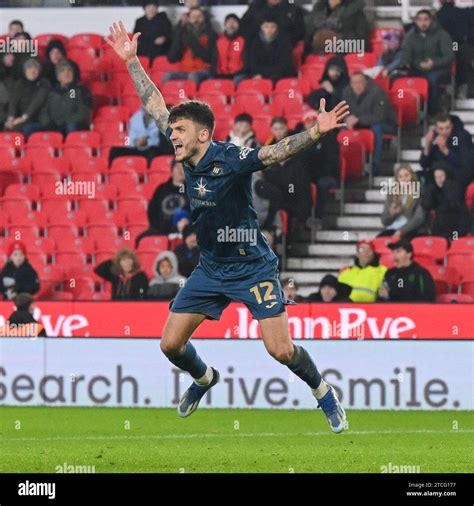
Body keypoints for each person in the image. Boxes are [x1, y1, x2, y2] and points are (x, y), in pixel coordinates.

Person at [107, 21, 350, 432]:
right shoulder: (185, 152)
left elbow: (273, 154)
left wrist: (314, 133)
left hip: (252, 265)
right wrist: (132, 62)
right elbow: (155, 105)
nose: (173, 136)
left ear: (203, 134)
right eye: (174, 130)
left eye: (181, 131)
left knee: (281, 350)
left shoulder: (232, 158)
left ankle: (323, 392)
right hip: (211, 267)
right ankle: (204, 378)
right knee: (170, 345)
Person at [399, 9, 454, 114]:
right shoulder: (410, 37)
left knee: (431, 80)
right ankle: (407, 112)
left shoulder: (442, 35)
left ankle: (432, 112)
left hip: (439, 69)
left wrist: (433, 63)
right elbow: (406, 57)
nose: (423, 23)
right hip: (417, 69)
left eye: (426, 20)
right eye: (420, 20)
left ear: (431, 20)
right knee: (398, 79)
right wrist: (418, 64)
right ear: (416, 21)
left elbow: (449, 56)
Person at [342, 72, 397, 174]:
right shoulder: (347, 92)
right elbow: (343, 112)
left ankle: (375, 165)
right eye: (354, 83)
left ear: (365, 82)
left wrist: (358, 119)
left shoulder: (377, 92)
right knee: (341, 129)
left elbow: (380, 116)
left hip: (386, 124)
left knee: (376, 129)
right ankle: (349, 166)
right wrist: (347, 119)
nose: (357, 86)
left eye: (359, 82)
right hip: (361, 123)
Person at [291, 109, 340, 219]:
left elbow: (331, 161)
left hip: (324, 174)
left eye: (314, 121)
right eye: (308, 121)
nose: (311, 123)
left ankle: (318, 217)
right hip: (304, 174)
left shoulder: (328, 138)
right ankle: (300, 217)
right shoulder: (297, 139)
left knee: (322, 184)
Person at [136, 162, 190, 246]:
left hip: (183, 230)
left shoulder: (190, 190)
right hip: (160, 229)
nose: (180, 170)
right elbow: (152, 212)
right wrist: (160, 227)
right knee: (140, 240)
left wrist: (187, 224)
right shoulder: (161, 189)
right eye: (177, 167)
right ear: (172, 170)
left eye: (183, 168)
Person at [419, 114, 473, 189]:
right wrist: (428, 144)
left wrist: (445, 150)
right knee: (418, 178)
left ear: (452, 126)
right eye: (441, 129)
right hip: (437, 176)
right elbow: (424, 164)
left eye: (447, 128)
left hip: (457, 176)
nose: (444, 132)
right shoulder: (435, 138)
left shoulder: (457, 137)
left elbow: (463, 162)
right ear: (436, 129)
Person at [165, 7, 217, 85]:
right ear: (188, 19)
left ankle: (192, 97)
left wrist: (193, 44)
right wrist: (179, 35)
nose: (196, 19)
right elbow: (172, 58)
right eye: (193, 17)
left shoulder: (211, 34)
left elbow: (210, 57)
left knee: (193, 76)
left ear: (203, 18)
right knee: (167, 76)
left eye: (199, 16)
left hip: (203, 70)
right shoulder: (183, 34)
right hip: (185, 70)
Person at [39, 61, 92, 136]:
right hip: (53, 126)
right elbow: (44, 112)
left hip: (73, 125)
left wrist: (68, 121)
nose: (67, 73)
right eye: (62, 71)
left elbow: (84, 111)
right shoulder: (51, 92)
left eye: (69, 70)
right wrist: (48, 123)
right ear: (58, 77)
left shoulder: (81, 90)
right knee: (29, 128)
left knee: (71, 126)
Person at [109, 106, 174, 165]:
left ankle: (150, 175)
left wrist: (147, 142)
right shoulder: (135, 117)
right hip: (138, 148)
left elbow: (162, 140)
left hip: (154, 148)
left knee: (152, 152)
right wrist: (135, 142)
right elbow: (131, 138)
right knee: (114, 151)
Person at [421, 163, 471, 241]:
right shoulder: (434, 189)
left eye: (441, 176)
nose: (439, 179)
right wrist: (430, 191)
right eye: (436, 177)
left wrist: (447, 187)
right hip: (440, 229)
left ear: (447, 176)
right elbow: (427, 205)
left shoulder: (454, 187)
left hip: (456, 228)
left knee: (454, 243)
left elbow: (454, 205)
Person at [436, 0, 474, 100]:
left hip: (457, 43)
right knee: (457, 56)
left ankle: (460, 87)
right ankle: (460, 87)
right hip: (456, 43)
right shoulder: (448, 12)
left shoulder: (441, 13)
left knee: (458, 56)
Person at [4, 58, 50, 138]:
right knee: (7, 128)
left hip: (37, 119)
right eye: (29, 68)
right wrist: (10, 118)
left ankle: (21, 149)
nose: (32, 71)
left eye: (35, 68)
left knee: (21, 129)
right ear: (25, 71)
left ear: (39, 71)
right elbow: (13, 101)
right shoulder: (20, 83)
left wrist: (23, 118)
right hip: (20, 119)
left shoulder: (44, 83)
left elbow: (37, 102)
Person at [242, 17, 297, 84]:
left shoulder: (284, 42)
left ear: (277, 28)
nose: (269, 29)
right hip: (259, 74)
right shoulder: (255, 42)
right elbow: (253, 63)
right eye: (266, 26)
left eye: (272, 27)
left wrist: (263, 75)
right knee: (243, 82)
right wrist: (258, 74)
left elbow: (284, 65)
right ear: (261, 27)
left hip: (280, 75)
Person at [378, 164, 426, 240]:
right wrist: (391, 214)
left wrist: (401, 232)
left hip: (410, 230)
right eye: (400, 177)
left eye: (406, 175)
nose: (404, 179)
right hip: (392, 229)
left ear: (412, 177)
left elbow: (419, 218)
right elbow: (384, 221)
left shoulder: (419, 193)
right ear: (397, 180)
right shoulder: (392, 194)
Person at [306, 0, 370, 54]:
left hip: (344, 59)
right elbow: (308, 41)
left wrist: (337, 41)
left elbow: (363, 45)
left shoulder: (356, 10)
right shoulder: (318, 8)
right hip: (317, 58)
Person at [240, 0, 306, 46]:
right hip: (256, 48)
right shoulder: (255, 7)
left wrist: (287, 42)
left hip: (286, 48)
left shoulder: (293, 9)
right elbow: (244, 26)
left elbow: (299, 31)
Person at [211, 13, 246, 82]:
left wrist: (237, 72)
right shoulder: (218, 40)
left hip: (237, 74)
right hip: (220, 74)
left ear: (238, 25)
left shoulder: (243, 41)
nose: (231, 24)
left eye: (234, 22)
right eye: (229, 22)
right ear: (225, 24)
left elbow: (246, 61)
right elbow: (214, 60)